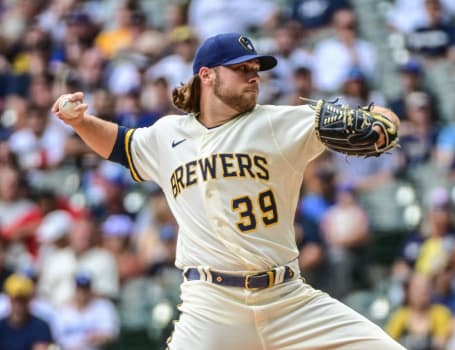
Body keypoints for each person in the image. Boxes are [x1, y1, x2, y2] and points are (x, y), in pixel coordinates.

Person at [52, 32, 403, 349]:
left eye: (256, 68)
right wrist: (81, 122)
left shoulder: (278, 122)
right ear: (207, 75)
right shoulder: (166, 135)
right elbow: (119, 144)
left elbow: (384, 122)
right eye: (241, 68)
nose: (254, 75)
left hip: (288, 300)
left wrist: (382, 123)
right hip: (210, 306)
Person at [0, 273, 54, 350]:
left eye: (22, 299)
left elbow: (41, 347)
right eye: (15, 299)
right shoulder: (1, 326)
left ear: (29, 300)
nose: (18, 304)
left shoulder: (41, 327)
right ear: (9, 299)